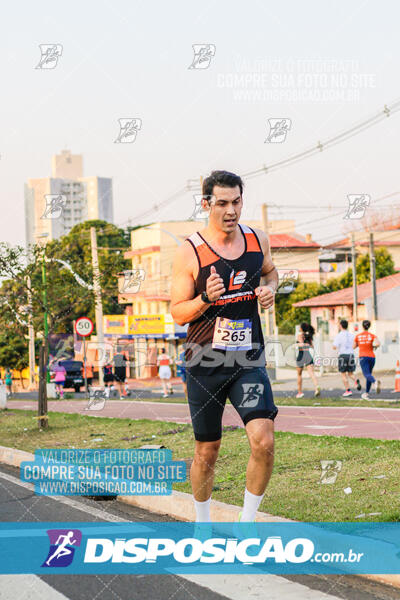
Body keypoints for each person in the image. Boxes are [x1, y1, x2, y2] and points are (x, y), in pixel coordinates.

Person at [170, 170, 279, 523]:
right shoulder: (190, 252)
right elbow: (177, 312)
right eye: (222, 203)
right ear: (205, 204)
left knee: (263, 441)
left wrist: (270, 289)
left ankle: (246, 526)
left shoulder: (256, 239)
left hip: (247, 357)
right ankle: (202, 525)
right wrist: (204, 299)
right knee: (207, 449)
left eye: (236, 202)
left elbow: (271, 271)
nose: (231, 210)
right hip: (204, 361)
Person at [332, 319, 361, 397]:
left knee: (343, 374)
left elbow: (334, 346)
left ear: (341, 326)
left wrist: (335, 347)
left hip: (343, 355)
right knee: (350, 373)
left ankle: (348, 390)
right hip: (351, 355)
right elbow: (356, 344)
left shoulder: (339, 335)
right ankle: (355, 380)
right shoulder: (352, 335)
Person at [354, 320, 381, 400]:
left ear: (362, 326)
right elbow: (378, 344)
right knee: (369, 374)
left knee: (366, 374)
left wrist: (361, 344)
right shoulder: (372, 335)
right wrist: (373, 346)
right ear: (369, 326)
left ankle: (375, 382)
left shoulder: (358, 336)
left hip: (363, 357)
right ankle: (366, 393)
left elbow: (353, 346)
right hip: (372, 357)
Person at [295, 323, 320, 398]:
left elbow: (300, 345)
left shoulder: (300, 335)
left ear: (302, 328)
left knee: (299, 375)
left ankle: (299, 392)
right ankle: (317, 387)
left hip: (301, 355)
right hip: (308, 355)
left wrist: (297, 345)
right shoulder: (309, 336)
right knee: (312, 373)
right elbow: (312, 346)